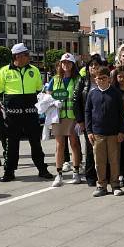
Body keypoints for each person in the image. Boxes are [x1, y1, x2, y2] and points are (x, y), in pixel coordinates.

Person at [0, 43, 53, 182]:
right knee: (12, 144)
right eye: (26, 55)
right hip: (12, 116)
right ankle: (9, 171)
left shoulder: (34, 70)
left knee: (35, 143)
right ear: (17, 56)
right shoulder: (3, 71)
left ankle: (42, 169)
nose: (29, 57)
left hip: (30, 113)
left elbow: (38, 89)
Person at [85, 67, 124, 197]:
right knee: (99, 161)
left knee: (114, 160)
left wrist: (121, 131)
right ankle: (101, 185)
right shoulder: (92, 93)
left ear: (109, 78)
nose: (101, 80)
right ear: (95, 79)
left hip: (114, 133)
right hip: (97, 134)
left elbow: (122, 113)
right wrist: (89, 131)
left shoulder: (116, 93)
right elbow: (87, 113)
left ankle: (115, 185)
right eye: (99, 78)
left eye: (104, 78)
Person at [49, 53, 83, 187]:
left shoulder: (78, 79)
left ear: (73, 65)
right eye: (63, 62)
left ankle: (76, 172)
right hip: (58, 117)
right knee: (59, 146)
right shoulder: (55, 79)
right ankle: (59, 174)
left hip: (73, 117)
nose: (65, 65)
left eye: (68, 63)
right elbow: (47, 96)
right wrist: (53, 102)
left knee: (74, 144)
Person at [73, 54, 106, 186]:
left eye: (96, 65)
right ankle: (91, 176)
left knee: (103, 149)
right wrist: (80, 121)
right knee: (90, 148)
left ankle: (105, 175)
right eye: (91, 65)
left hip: (103, 120)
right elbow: (75, 102)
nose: (94, 67)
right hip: (89, 121)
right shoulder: (83, 81)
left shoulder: (105, 80)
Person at [112, 64, 124, 186]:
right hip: (120, 124)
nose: (122, 79)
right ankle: (122, 173)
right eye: (120, 76)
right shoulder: (114, 90)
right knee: (122, 151)